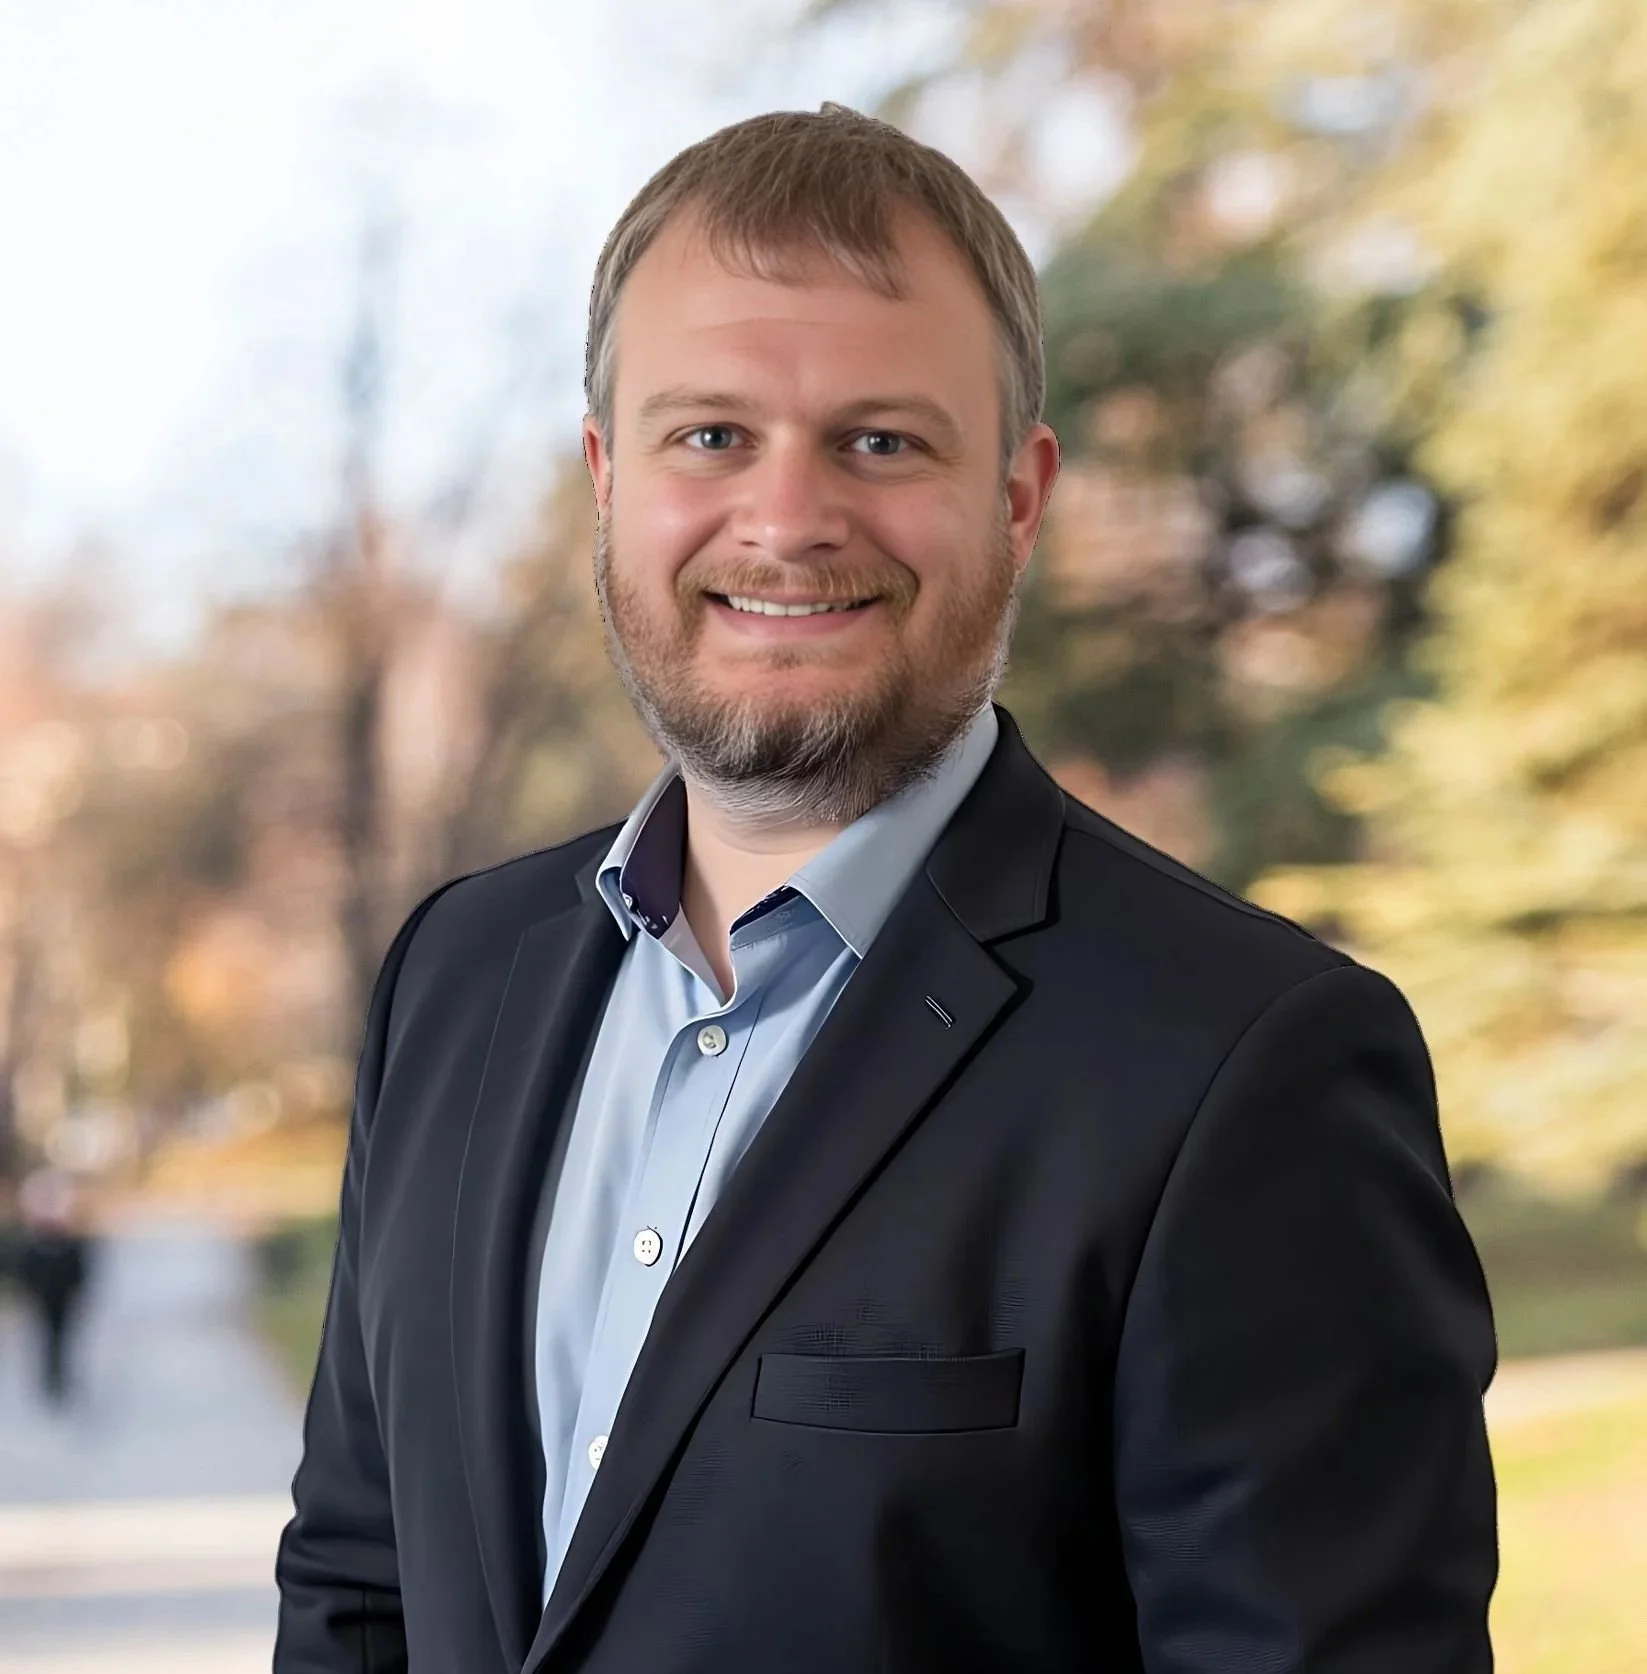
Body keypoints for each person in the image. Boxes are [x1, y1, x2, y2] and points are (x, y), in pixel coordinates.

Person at [274, 104, 1498, 1673]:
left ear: (1016, 496)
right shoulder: (453, 976)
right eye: (709, 436)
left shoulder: (1245, 1067)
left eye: (879, 441)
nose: (787, 520)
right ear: (605, 478)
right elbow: (358, 1584)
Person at [15, 1167, 93, 1406]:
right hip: (44, 1297)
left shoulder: (69, 1245)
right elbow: (27, 1271)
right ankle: (50, 1376)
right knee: (47, 1338)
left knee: (61, 1338)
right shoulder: (36, 1246)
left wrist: (79, 1291)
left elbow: (78, 1270)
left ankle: (59, 1376)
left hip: (63, 1297)